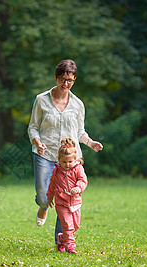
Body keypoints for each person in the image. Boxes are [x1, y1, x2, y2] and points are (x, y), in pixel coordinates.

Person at [27, 59, 103, 244]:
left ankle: (62, 240)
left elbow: (80, 132)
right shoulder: (41, 100)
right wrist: (37, 142)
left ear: (74, 80)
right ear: (56, 78)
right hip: (44, 154)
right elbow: (32, 127)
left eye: (70, 80)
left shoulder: (78, 104)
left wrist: (90, 143)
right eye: (62, 79)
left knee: (66, 200)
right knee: (43, 194)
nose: (65, 84)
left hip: (69, 160)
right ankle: (43, 206)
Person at [47, 138, 87, 253]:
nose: (67, 164)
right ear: (59, 160)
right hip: (61, 202)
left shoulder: (78, 168)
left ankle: (62, 238)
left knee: (75, 226)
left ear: (75, 159)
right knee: (68, 226)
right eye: (64, 162)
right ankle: (70, 246)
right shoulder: (57, 170)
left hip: (75, 202)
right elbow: (52, 183)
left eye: (70, 162)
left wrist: (78, 188)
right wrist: (50, 197)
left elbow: (83, 180)